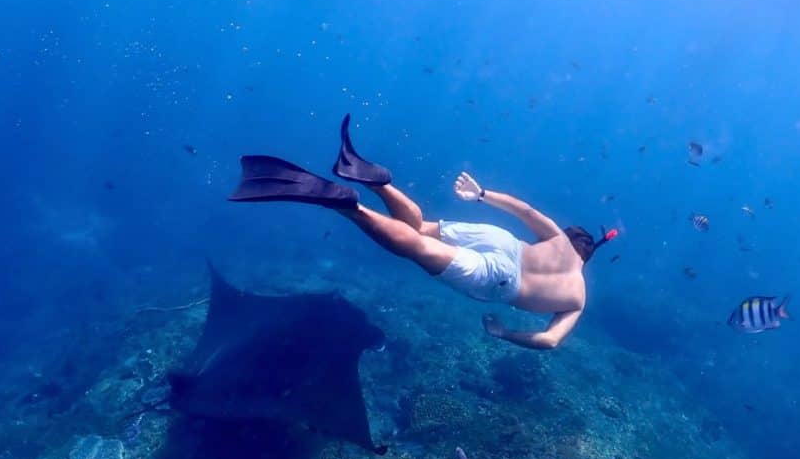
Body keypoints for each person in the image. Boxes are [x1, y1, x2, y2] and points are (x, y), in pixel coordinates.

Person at [230, 115, 617, 349]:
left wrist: (480, 194)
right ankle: (349, 205)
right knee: (413, 246)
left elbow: (524, 209)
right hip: (502, 280)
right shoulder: (577, 297)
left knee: (419, 225)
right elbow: (550, 341)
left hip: (503, 241)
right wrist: (504, 333)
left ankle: (378, 182)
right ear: (589, 257)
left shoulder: (557, 238)